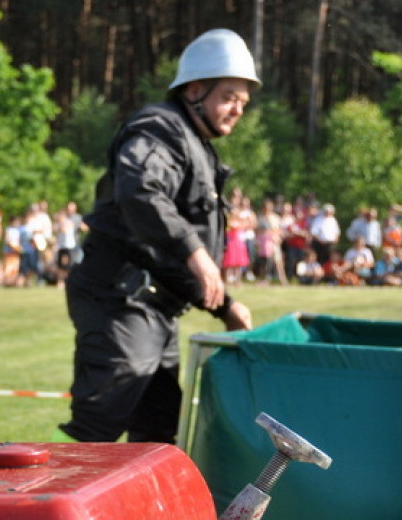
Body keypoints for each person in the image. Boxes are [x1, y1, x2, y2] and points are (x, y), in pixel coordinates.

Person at [58, 28, 255, 444]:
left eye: (243, 101)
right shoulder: (160, 129)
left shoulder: (197, 146)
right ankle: (48, 510)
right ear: (195, 89)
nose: (238, 109)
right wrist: (196, 251)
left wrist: (225, 307)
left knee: (160, 435)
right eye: (229, 97)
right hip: (119, 301)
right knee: (99, 433)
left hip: (153, 309)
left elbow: (160, 255)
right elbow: (140, 191)